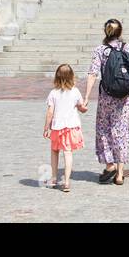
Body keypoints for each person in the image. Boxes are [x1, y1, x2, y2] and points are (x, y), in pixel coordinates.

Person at [83, 19, 129, 186]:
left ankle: (110, 165)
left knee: (104, 130)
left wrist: (86, 96)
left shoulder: (101, 50)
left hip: (107, 97)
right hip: (125, 97)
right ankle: (120, 174)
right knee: (121, 132)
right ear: (120, 32)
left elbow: (93, 74)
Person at [43, 63, 86, 192]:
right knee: (68, 153)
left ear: (57, 76)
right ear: (72, 76)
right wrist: (83, 108)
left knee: (54, 151)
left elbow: (50, 112)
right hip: (71, 126)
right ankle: (67, 182)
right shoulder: (75, 91)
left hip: (57, 127)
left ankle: (55, 178)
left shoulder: (53, 93)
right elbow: (81, 106)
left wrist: (46, 127)